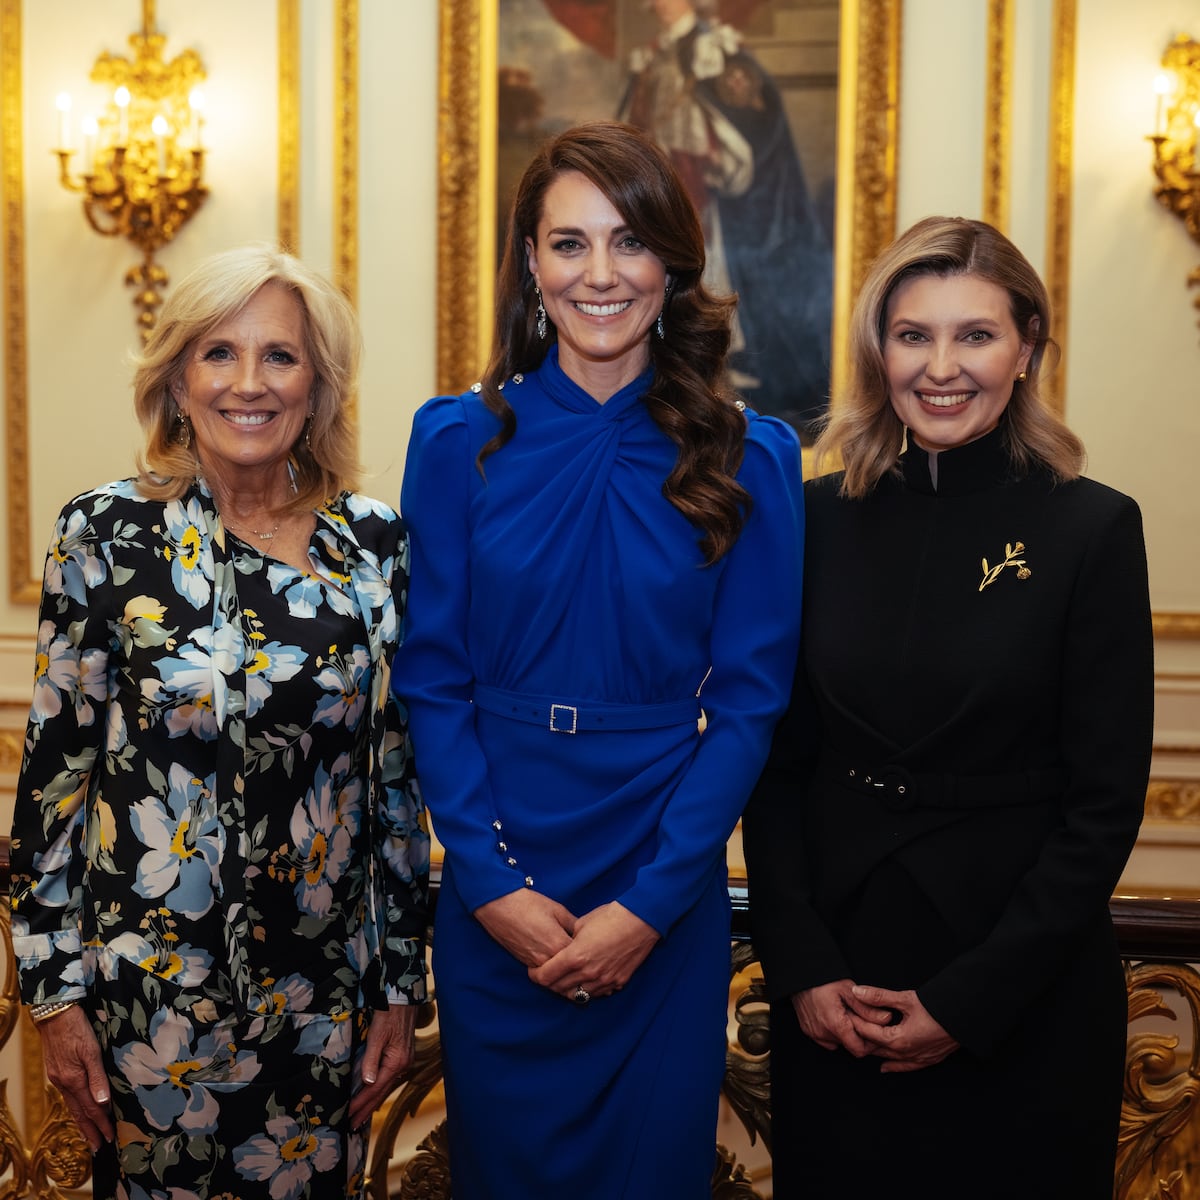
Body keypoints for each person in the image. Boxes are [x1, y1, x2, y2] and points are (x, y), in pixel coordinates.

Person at [390, 120, 805, 1198]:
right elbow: (431, 679)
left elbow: (751, 704)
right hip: (498, 879)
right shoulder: (455, 440)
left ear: (672, 266)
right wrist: (488, 885)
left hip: (659, 881)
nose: (600, 273)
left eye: (630, 242)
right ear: (530, 264)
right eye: (569, 243)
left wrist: (651, 904)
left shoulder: (752, 455)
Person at [742, 215, 1154, 1198]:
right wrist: (800, 964)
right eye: (913, 335)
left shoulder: (1093, 527)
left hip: (1023, 991)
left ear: (1027, 348)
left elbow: (1103, 807)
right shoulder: (809, 519)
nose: (941, 367)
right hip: (838, 984)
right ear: (877, 350)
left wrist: (972, 1001)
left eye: (975, 334)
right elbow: (775, 761)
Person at [8, 245, 430, 1199]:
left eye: (280, 356)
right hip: (149, 1008)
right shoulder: (104, 535)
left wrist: (401, 984)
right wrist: (55, 1000)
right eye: (219, 354)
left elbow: (395, 786)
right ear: (177, 380)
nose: (249, 383)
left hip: (323, 1002)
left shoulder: (374, 546)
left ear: (317, 385)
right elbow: (52, 789)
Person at [618, 0, 833, 437]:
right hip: (662, 204)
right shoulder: (655, 58)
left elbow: (753, 123)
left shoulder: (715, 52)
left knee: (709, 278)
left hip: (705, 200)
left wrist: (712, 157)